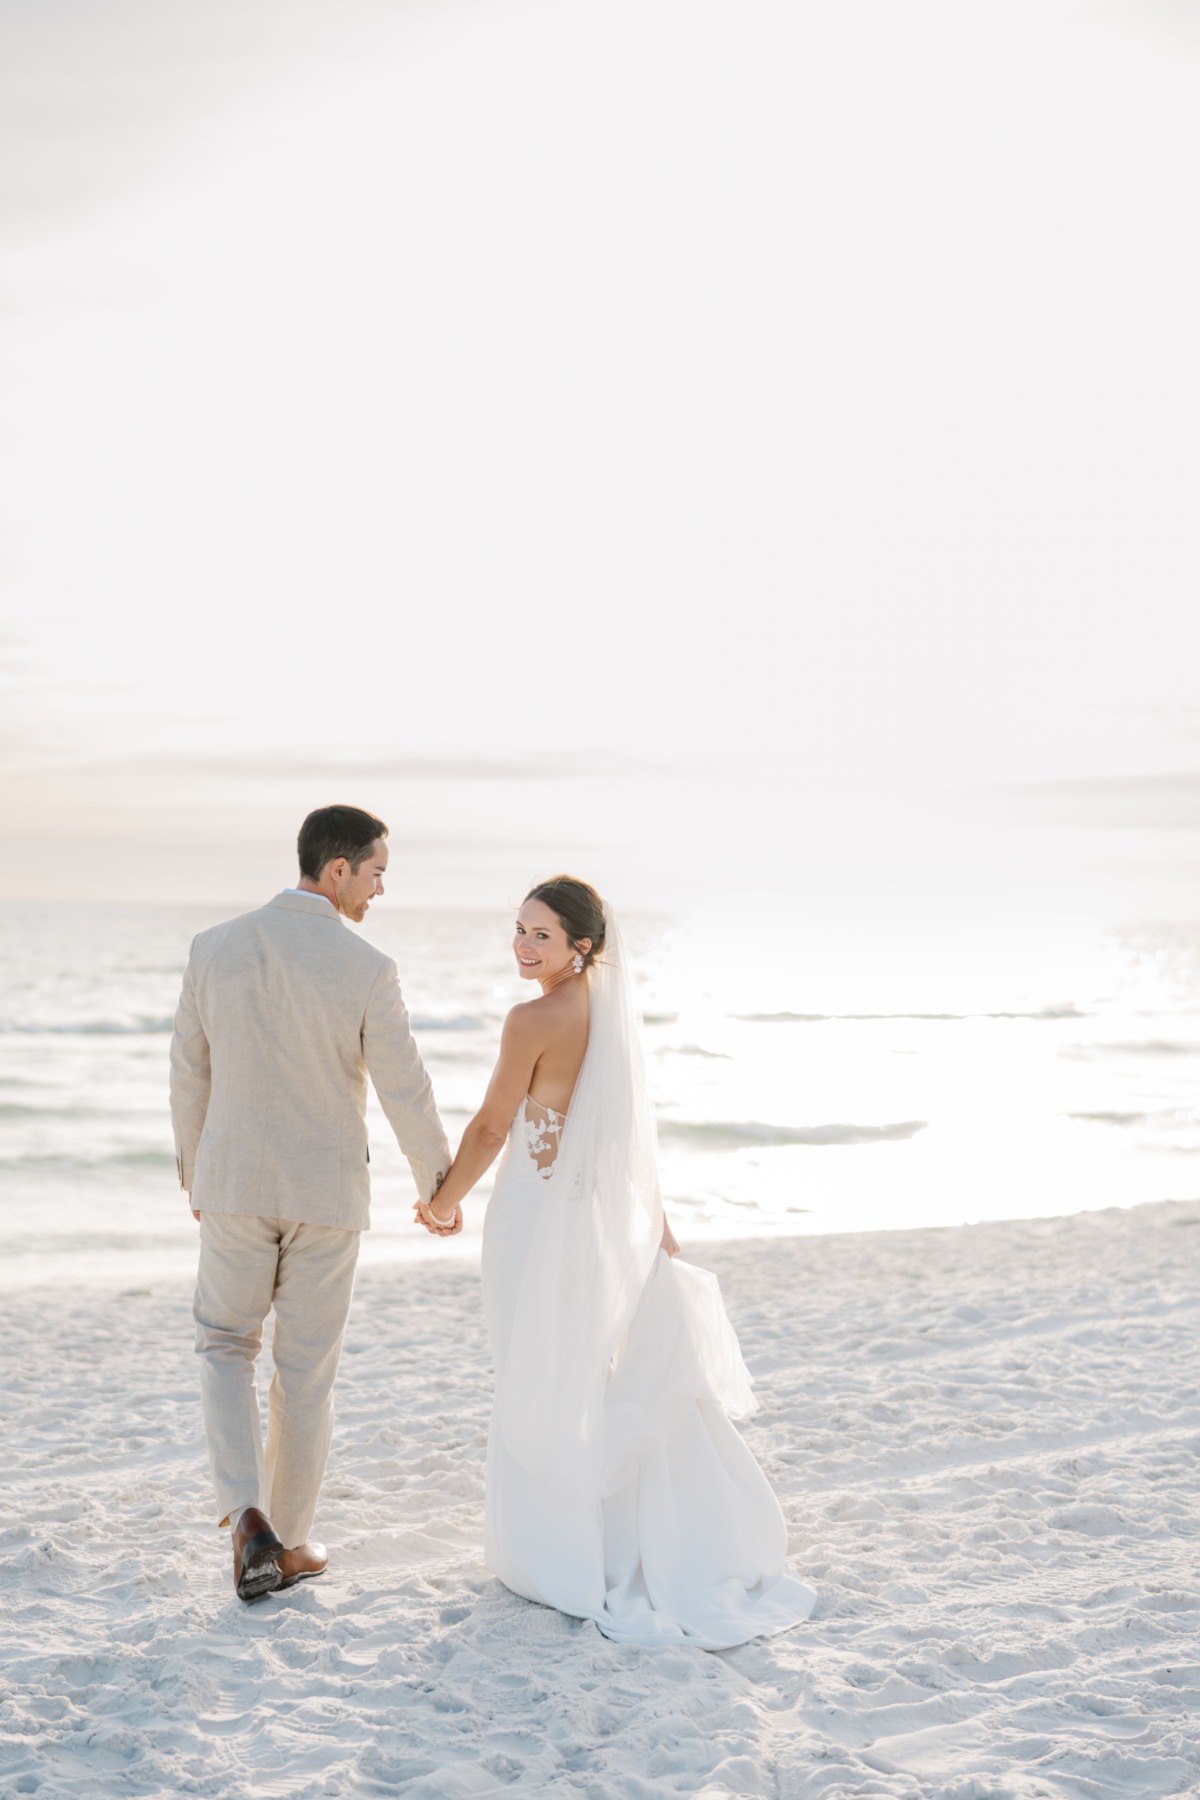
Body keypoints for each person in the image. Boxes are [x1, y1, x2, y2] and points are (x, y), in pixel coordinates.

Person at [415, 875, 816, 1648]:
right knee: (580, 1371)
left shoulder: (531, 1019)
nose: (524, 947)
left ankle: (554, 1550)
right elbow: (623, 1142)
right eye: (521, 931)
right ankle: (607, 1537)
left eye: (541, 936)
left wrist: (441, 1201)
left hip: (532, 1222)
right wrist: (656, 1232)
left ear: (582, 947)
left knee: (535, 1369)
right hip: (592, 1222)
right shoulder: (615, 1021)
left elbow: (496, 1125)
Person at [170, 804, 452, 1602]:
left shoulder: (212, 948)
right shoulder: (366, 966)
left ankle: (246, 1518)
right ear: (337, 871)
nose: (380, 889)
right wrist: (437, 1186)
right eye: (375, 873)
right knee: (306, 1370)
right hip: (328, 1193)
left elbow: (189, 1072)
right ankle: (285, 1544)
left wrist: (198, 1173)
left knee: (225, 1345)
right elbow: (406, 1086)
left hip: (233, 1184)